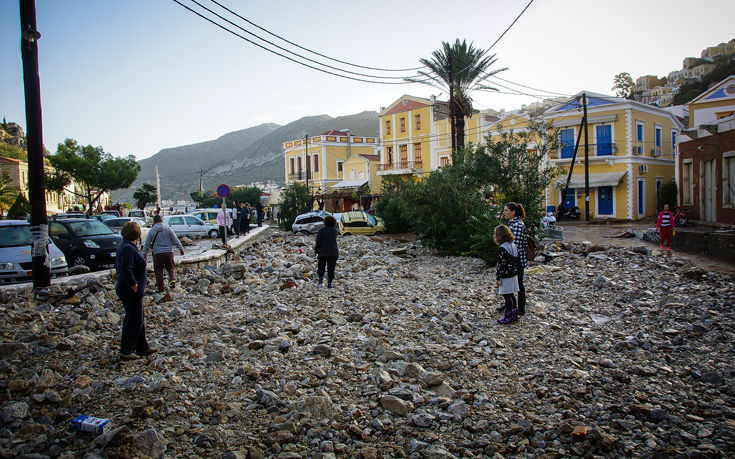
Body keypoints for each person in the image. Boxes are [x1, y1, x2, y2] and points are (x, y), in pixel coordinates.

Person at [115, 221, 156, 360]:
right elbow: (126, 269)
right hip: (130, 290)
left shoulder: (126, 246)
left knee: (138, 318)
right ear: (137, 234)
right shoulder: (128, 248)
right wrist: (134, 285)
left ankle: (142, 347)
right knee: (133, 320)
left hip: (130, 289)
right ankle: (126, 351)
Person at [142, 214, 185, 292]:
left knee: (158, 271)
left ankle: (161, 289)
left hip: (157, 254)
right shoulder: (168, 229)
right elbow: (175, 240)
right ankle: (172, 279)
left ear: (154, 222)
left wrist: (144, 254)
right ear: (161, 220)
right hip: (168, 252)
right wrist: (181, 249)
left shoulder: (151, 231)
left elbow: (147, 244)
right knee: (170, 267)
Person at [503, 202, 528, 316]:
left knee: (518, 284)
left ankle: (521, 308)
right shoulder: (512, 223)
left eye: (506, 210)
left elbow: (515, 245)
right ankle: (510, 304)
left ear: (513, 212)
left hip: (516, 260)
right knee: (510, 283)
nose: (504, 213)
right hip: (512, 259)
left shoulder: (517, 224)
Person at [494, 225, 520, 325]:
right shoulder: (512, 245)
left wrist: (498, 277)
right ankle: (514, 314)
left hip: (506, 275)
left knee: (506, 295)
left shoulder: (502, 248)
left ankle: (507, 316)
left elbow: (501, 264)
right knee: (512, 294)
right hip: (513, 273)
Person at [314, 215, 339, 288]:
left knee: (321, 267)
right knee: (331, 268)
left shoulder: (321, 231)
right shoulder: (335, 231)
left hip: (322, 252)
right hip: (333, 252)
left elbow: (318, 242)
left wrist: (316, 250)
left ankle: (320, 280)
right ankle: (329, 283)